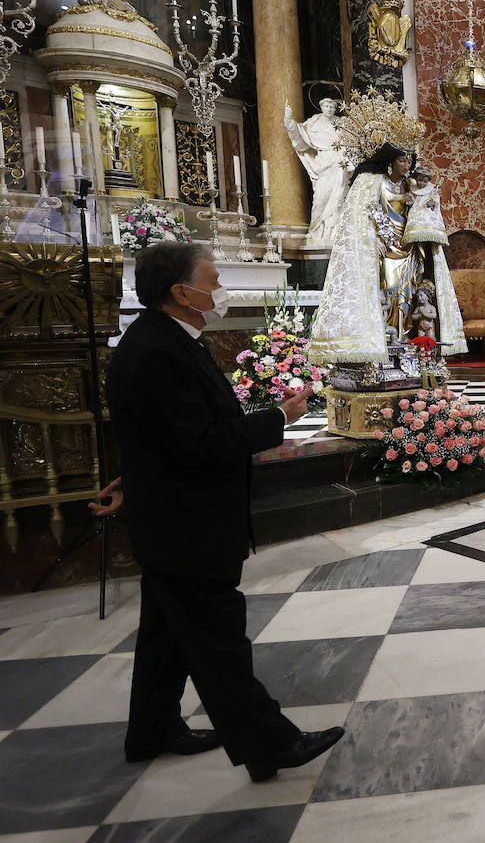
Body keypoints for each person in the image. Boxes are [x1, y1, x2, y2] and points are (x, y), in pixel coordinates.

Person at [94, 242, 344, 782]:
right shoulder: (157, 351)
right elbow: (202, 443)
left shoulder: (169, 340)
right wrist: (278, 416)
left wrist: (136, 477)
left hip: (174, 514)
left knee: (166, 634)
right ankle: (269, 744)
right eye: (212, 278)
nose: (219, 289)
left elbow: (164, 435)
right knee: (218, 643)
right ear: (182, 292)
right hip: (188, 526)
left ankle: (152, 729)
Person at [309, 93, 464, 367]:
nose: (407, 166)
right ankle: (385, 346)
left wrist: (427, 206)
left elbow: (420, 213)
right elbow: (361, 214)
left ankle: (405, 346)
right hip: (383, 248)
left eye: (409, 161)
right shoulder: (370, 182)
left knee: (408, 296)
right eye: (403, 160)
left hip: (408, 248)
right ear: (390, 160)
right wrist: (374, 238)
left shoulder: (410, 187)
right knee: (387, 296)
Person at [283, 98, 349, 245]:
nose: (329, 109)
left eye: (332, 106)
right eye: (326, 105)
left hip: (340, 164)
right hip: (324, 163)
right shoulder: (314, 123)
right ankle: (315, 230)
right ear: (321, 107)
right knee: (320, 198)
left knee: (339, 197)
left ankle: (334, 231)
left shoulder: (342, 124)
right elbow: (299, 134)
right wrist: (289, 121)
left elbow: (353, 143)